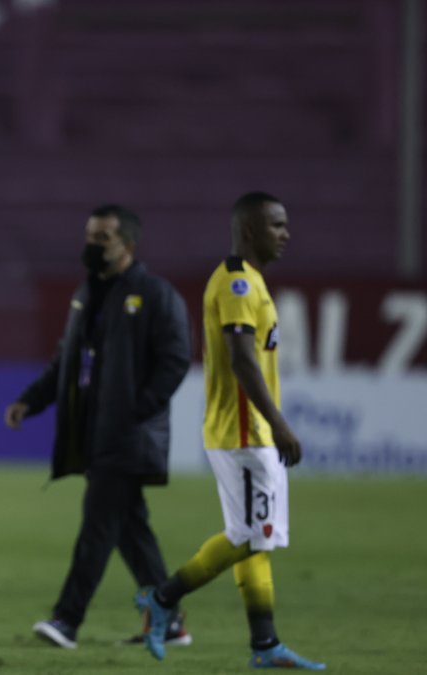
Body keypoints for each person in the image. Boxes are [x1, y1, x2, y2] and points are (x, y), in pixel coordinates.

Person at [136, 193, 325, 670]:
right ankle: (163, 597)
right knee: (251, 535)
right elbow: (241, 359)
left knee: (255, 537)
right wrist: (279, 423)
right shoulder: (238, 283)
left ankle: (265, 644)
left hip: (247, 433)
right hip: (243, 432)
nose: (286, 233)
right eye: (276, 225)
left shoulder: (251, 280)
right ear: (249, 230)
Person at [5, 205, 191, 649]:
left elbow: (176, 360)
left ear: (128, 244)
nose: (92, 244)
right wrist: (32, 399)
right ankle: (170, 622)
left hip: (129, 436)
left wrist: (136, 410)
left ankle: (67, 620)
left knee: (98, 527)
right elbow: (66, 359)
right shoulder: (88, 292)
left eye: (103, 238)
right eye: (90, 236)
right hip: (94, 432)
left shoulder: (154, 294)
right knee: (131, 530)